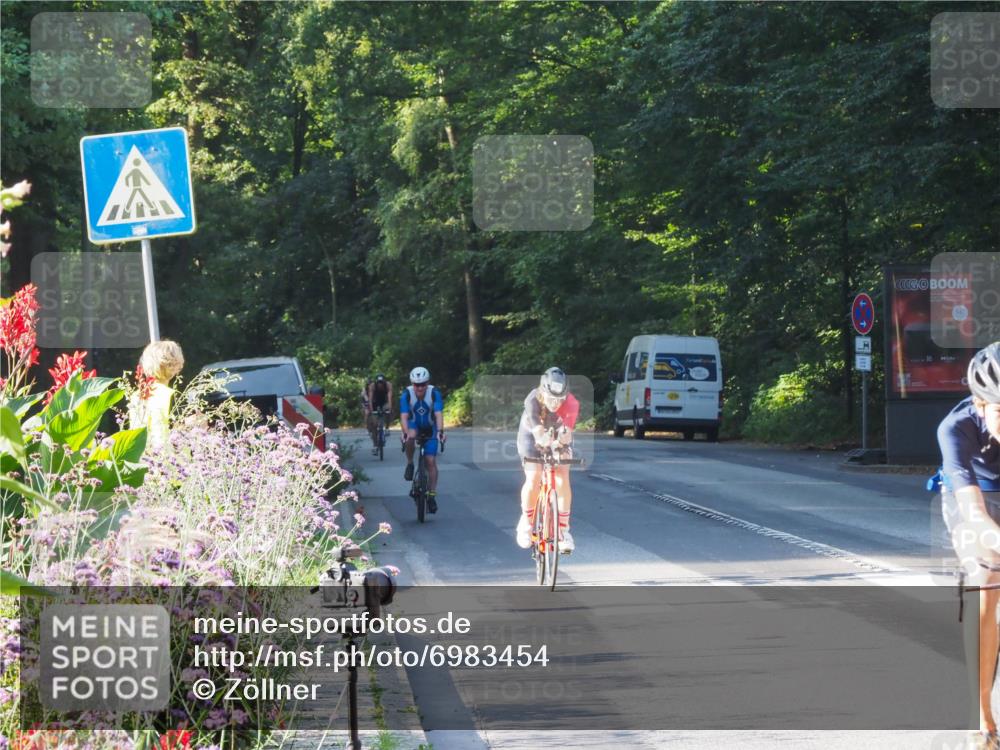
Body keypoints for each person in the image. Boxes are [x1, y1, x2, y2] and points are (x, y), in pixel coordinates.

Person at [938, 342, 1000, 746]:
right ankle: (982, 719)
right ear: (980, 405)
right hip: (975, 497)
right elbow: (975, 516)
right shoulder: (955, 427)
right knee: (987, 573)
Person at [516, 367, 580, 554]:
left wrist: (561, 445)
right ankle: (526, 523)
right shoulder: (532, 400)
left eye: (559, 400)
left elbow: (567, 434)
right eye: (551, 398)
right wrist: (544, 441)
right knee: (534, 476)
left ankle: (563, 530)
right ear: (543, 391)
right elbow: (538, 433)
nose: (555, 404)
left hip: (557, 433)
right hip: (531, 434)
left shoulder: (571, 403)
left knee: (562, 475)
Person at [400, 366, 445, 513]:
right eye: (416, 384)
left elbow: (438, 414)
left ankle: (431, 495)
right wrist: (405, 433)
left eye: (423, 384)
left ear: (428, 383)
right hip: (414, 425)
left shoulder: (434, 393)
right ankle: (410, 463)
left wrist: (440, 431)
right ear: (412, 384)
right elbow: (404, 417)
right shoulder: (406, 394)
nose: (419, 388)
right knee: (410, 437)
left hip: (430, 427)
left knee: (430, 461)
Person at [128, 339, 185, 449]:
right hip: (170, 458)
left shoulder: (136, 396)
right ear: (176, 364)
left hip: (142, 456)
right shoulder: (171, 395)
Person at [367, 373, 394, 452]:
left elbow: (389, 398)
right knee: (374, 425)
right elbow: (370, 399)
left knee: (388, 411)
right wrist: (372, 410)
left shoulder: (388, 385)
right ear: (376, 382)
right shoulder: (372, 386)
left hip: (384, 402)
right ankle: (375, 446)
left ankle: (387, 428)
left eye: (381, 383)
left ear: (384, 382)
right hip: (375, 403)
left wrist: (389, 407)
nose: (380, 385)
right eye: (379, 383)